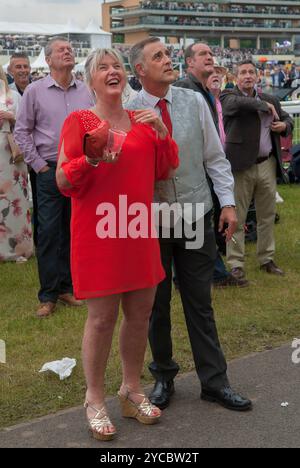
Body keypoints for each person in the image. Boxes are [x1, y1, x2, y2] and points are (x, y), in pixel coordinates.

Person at [56, 48, 179, 440]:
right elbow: (62, 181)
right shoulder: (80, 121)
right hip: (98, 234)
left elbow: (163, 170)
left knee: (140, 314)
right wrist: (90, 159)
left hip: (138, 229)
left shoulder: (143, 121)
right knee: (102, 318)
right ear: (90, 80)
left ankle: (131, 388)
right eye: (102, 68)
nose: (112, 72)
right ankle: (94, 398)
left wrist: (161, 133)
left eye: (117, 67)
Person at [128, 37, 252, 412]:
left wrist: (228, 204)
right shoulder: (128, 110)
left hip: (196, 214)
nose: (168, 60)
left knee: (200, 302)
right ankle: (163, 376)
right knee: (156, 304)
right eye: (158, 57)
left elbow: (215, 157)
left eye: (167, 54)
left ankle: (214, 382)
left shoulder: (194, 101)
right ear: (140, 70)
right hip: (151, 220)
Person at [14, 37, 94, 317]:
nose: (68, 51)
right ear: (48, 60)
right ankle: (48, 294)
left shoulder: (86, 91)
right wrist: (39, 166)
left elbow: (94, 127)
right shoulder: (35, 91)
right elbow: (21, 131)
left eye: (70, 49)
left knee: (75, 229)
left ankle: (67, 287)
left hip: (80, 169)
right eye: (61, 50)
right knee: (49, 232)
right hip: (49, 169)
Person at [174, 43, 247, 288]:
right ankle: (206, 273)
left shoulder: (204, 90)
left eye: (211, 54)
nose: (210, 57)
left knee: (202, 222)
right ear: (189, 63)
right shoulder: (185, 88)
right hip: (192, 170)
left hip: (206, 165)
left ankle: (211, 271)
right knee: (194, 225)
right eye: (203, 54)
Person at [221, 60, 294, 281]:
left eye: (251, 72)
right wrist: (262, 106)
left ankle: (266, 258)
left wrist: (284, 126)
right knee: (238, 217)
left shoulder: (270, 99)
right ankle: (235, 263)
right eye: (242, 72)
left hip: (267, 164)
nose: (247, 76)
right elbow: (239, 105)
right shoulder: (228, 97)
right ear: (235, 77)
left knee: (267, 215)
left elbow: (287, 118)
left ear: (258, 76)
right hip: (241, 166)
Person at [0, 65, 33, 262]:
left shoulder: (13, 94)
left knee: (15, 199)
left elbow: (27, 122)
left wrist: (11, 117)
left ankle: (20, 247)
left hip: (12, 153)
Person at [9, 52, 39, 248]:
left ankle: (38, 239)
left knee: (38, 199)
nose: (22, 70)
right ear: (10, 70)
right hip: (15, 154)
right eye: (18, 67)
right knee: (17, 199)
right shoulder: (6, 94)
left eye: (25, 66)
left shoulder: (38, 90)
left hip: (37, 153)